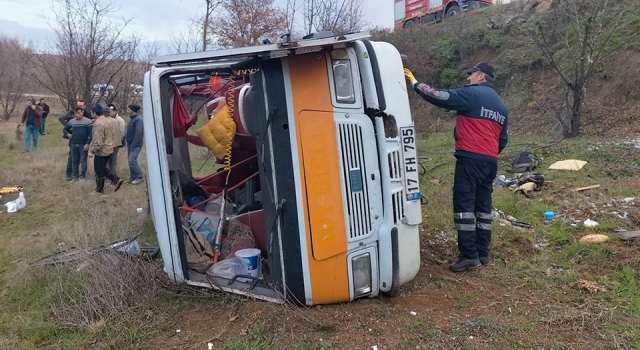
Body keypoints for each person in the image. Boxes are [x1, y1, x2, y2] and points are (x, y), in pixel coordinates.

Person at [404, 62, 509, 272]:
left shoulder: (472, 94)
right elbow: (503, 138)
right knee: (483, 209)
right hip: (490, 163)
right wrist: (488, 152)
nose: (468, 78)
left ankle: (469, 256)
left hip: (470, 159)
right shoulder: (501, 105)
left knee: (464, 207)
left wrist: (416, 84)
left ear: (481, 76)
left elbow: (440, 96)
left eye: (471, 75)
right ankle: (482, 254)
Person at [89, 104, 123, 194]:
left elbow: (98, 140)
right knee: (102, 169)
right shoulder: (108, 121)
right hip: (109, 148)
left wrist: (92, 151)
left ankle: (99, 190)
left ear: (94, 113)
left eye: (91, 112)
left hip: (101, 150)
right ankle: (116, 180)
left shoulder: (98, 123)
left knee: (98, 171)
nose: (91, 114)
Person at [61, 100, 92, 180]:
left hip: (83, 144)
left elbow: (90, 134)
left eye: (78, 113)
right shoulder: (72, 121)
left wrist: (87, 143)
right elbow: (65, 129)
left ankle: (82, 176)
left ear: (82, 112)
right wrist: (67, 134)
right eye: (75, 113)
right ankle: (75, 176)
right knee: (74, 160)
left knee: (83, 161)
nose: (77, 115)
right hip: (73, 143)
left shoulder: (88, 121)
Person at [104, 104, 125, 182]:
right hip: (107, 144)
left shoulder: (120, 120)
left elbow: (122, 133)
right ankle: (107, 177)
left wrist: (118, 141)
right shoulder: (107, 120)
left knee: (112, 162)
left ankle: (113, 177)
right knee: (106, 161)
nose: (110, 113)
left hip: (115, 144)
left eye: (111, 111)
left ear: (115, 111)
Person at [125, 104, 144, 184]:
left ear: (132, 110)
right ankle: (133, 177)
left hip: (135, 145)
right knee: (130, 161)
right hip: (130, 144)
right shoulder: (132, 119)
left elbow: (138, 133)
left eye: (128, 109)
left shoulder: (138, 120)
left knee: (132, 160)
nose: (127, 111)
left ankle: (139, 177)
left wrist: (133, 145)